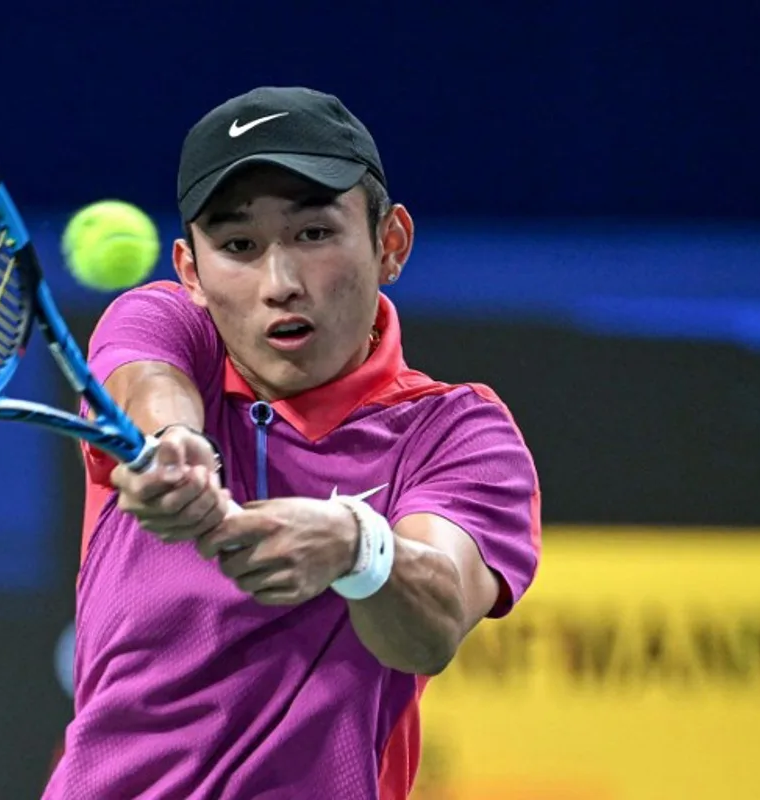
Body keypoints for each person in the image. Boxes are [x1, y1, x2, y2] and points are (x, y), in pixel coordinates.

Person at [43, 86, 541, 800]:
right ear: (191, 271)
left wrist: (355, 546)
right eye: (239, 246)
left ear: (389, 242)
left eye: (313, 234)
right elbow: (148, 385)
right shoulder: (162, 325)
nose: (279, 283)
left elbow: (431, 624)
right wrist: (174, 446)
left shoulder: (456, 433)